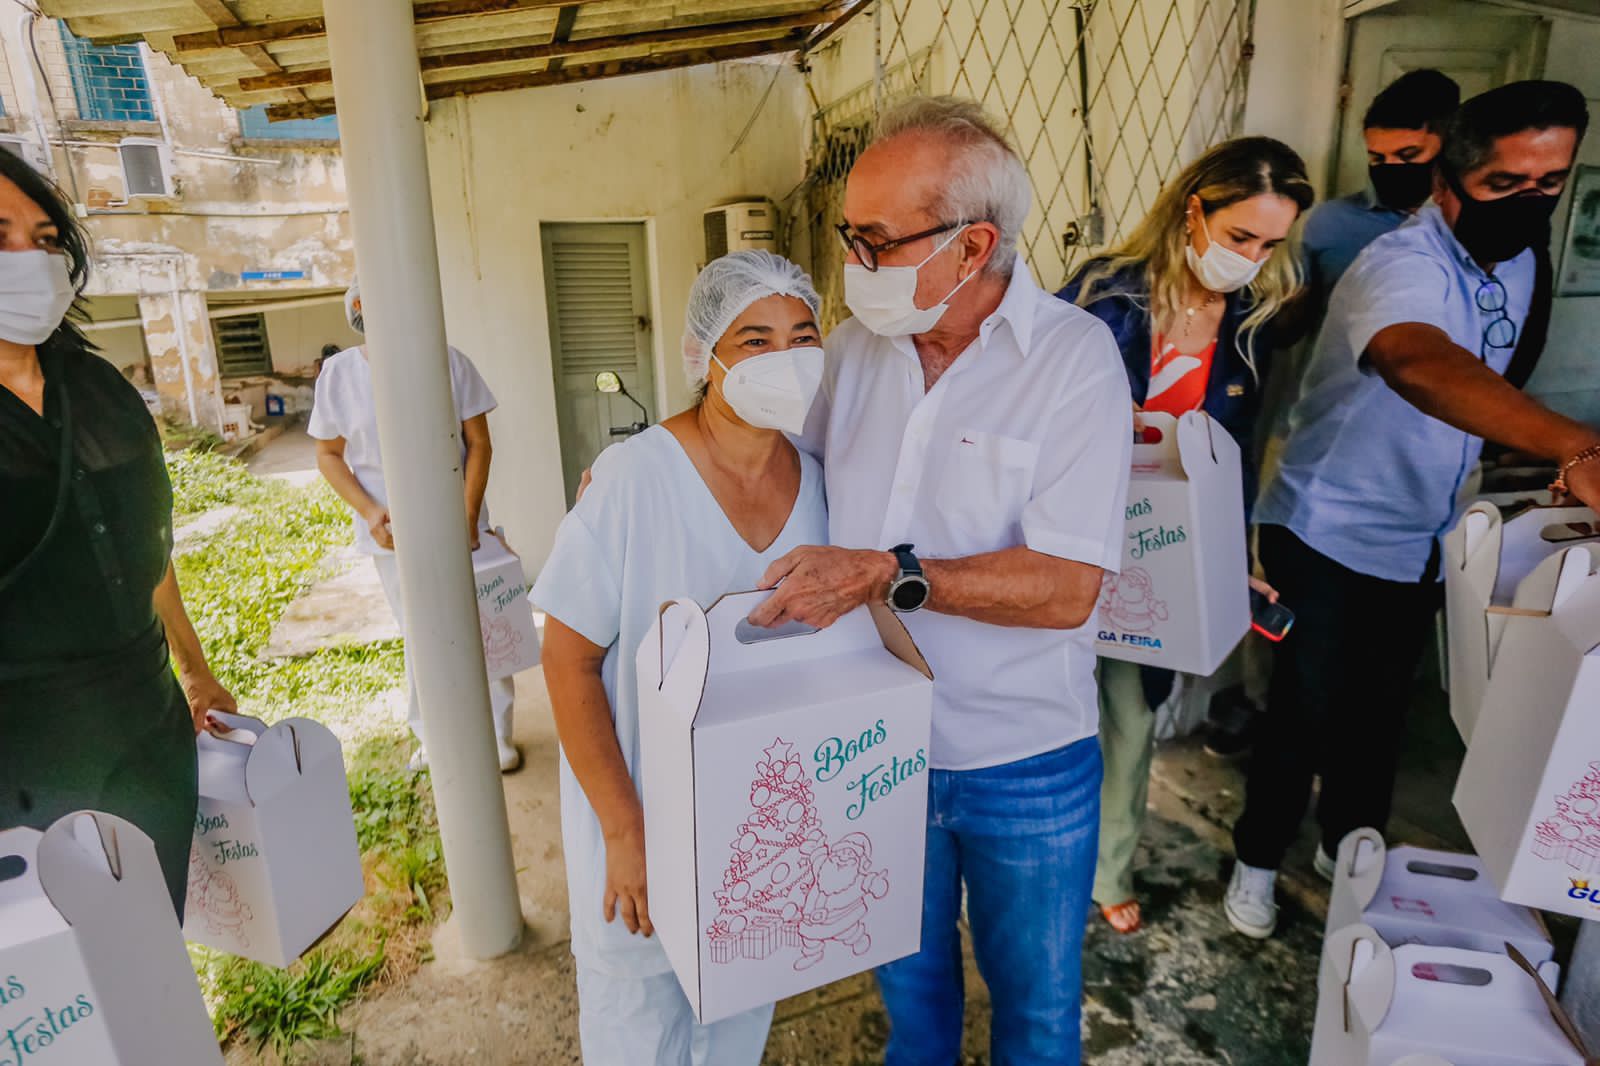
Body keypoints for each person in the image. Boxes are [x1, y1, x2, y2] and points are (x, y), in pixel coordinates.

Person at [755, 96, 1133, 1065]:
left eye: (876, 241)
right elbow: (765, 467)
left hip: (1024, 758)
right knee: (910, 1005)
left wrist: (889, 572)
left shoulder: (1073, 363)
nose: (854, 266)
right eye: (851, 237)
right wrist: (659, 466)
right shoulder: (850, 351)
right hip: (875, 748)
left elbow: (1066, 587)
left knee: (1038, 1018)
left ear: (971, 249)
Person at [1229, 80, 1600, 940]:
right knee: (1305, 708)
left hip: (1425, 534)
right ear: (1450, 183)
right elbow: (1418, 363)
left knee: (1380, 709)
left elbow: (1497, 381)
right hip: (1326, 527)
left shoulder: (1519, 259)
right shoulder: (1400, 263)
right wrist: (1572, 444)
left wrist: (1513, 452)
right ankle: (1255, 858)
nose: (1531, 201)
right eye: (1506, 184)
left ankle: (1349, 845)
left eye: (1551, 182)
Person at [532, 250, 827, 1064]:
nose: (786, 358)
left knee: (734, 1031)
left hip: (761, 837)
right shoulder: (634, 480)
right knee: (640, 1032)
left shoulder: (823, 483)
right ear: (706, 356)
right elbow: (567, 663)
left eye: (803, 335)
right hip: (646, 833)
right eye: (756, 338)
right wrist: (626, 833)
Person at [1056, 136, 1314, 935]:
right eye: (1242, 237)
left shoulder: (1253, 322)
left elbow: (1228, 459)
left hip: (1159, 556)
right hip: (1067, 532)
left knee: (1131, 724)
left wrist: (1233, 561)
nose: (1255, 258)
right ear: (1194, 207)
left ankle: (1107, 869)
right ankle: (1037, 858)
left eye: (1272, 243)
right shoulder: (1101, 293)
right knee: (1053, 712)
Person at [0, 151, 235, 915]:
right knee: (64, 997)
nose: (27, 260)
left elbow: (148, 543)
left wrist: (192, 669)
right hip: (22, 758)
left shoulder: (96, 387)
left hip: (145, 723)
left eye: (43, 238)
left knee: (150, 941)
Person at [308, 280, 519, 772]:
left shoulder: (450, 362)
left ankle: (499, 734)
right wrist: (369, 511)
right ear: (360, 308)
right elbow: (328, 455)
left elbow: (479, 444)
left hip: (463, 527)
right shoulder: (339, 376)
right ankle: (435, 738)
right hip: (392, 537)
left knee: (485, 627)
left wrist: (467, 515)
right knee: (422, 636)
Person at [1303, 69, 1461, 296]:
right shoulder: (1330, 221)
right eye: (1377, 158)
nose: (1391, 167)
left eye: (1408, 155)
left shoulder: (1469, 224)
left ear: (1447, 148)